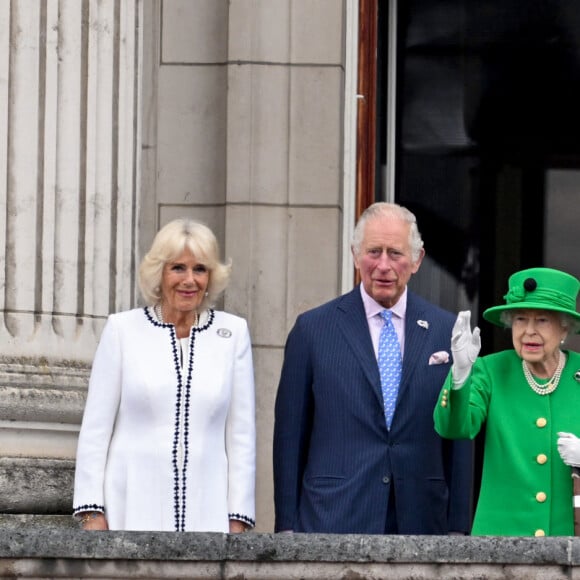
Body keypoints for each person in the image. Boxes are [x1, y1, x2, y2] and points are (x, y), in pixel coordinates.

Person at [273, 202, 473, 534]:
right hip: (333, 517)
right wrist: (286, 527)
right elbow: (290, 436)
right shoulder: (313, 330)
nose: (383, 265)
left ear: (417, 260)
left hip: (421, 519)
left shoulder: (446, 330)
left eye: (395, 253)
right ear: (355, 255)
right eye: (373, 252)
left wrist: (458, 527)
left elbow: (460, 434)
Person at [72, 218, 256, 532]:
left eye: (200, 269)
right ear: (159, 273)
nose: (189, 280)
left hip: (207, 512)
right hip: (129, 508)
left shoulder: (233, 333)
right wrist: (91, 513)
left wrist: (238, 518)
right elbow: (95, 429)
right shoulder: (122, 330)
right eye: (178, 268)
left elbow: (241, 435)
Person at [434, 267, 580, 536]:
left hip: (570, 547)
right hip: (500, 545)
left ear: (564, 328)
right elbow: (455, 427)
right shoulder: (490, 371)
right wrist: (460, 375)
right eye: (521, 319)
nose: (528, 332)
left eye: (543, 321)